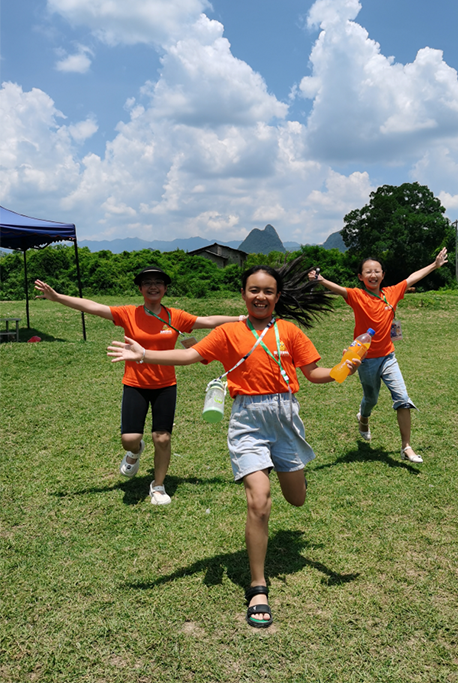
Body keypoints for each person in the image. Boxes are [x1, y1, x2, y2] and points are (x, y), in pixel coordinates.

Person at [107, 263, 360, 628]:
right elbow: (190, 356)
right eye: (254, 290)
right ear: (244, 294)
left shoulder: (290, 331)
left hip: (285, 419)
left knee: (296, 499)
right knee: (259, 500)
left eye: (268, 291)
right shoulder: (228, 333)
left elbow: (317, 375)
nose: (261, 296)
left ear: (277, 296)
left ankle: (293, 475)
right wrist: (145, 355)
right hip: (248, 422)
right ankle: (258, 586)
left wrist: (346, 366)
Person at [35, 266, 243, 505]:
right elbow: (91, 306)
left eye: (158, 282)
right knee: (129, 439)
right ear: (140, 289)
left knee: (162, 438)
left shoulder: (176, 316)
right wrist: (58, 297)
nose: (153, 286)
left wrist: (239, 319)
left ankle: (158, 486)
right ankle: (135, 451)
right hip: (135, 384)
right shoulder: (128, 313)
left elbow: (207, 321)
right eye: (147, 283)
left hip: (166, 385)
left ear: (165, 288)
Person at [308, 249, 448, 463]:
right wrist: (321, 279)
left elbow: (412, 278)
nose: (372, 275)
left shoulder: (391, 292)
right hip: (365, 360)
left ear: (383, 275)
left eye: (377, 271)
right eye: (368, 272)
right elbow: (339, 290)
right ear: (360, 277)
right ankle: (363, 417)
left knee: (402, 398)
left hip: (388, 357)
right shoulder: (357, 295)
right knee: (371, 398)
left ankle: (406, 447)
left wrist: (434, 265)